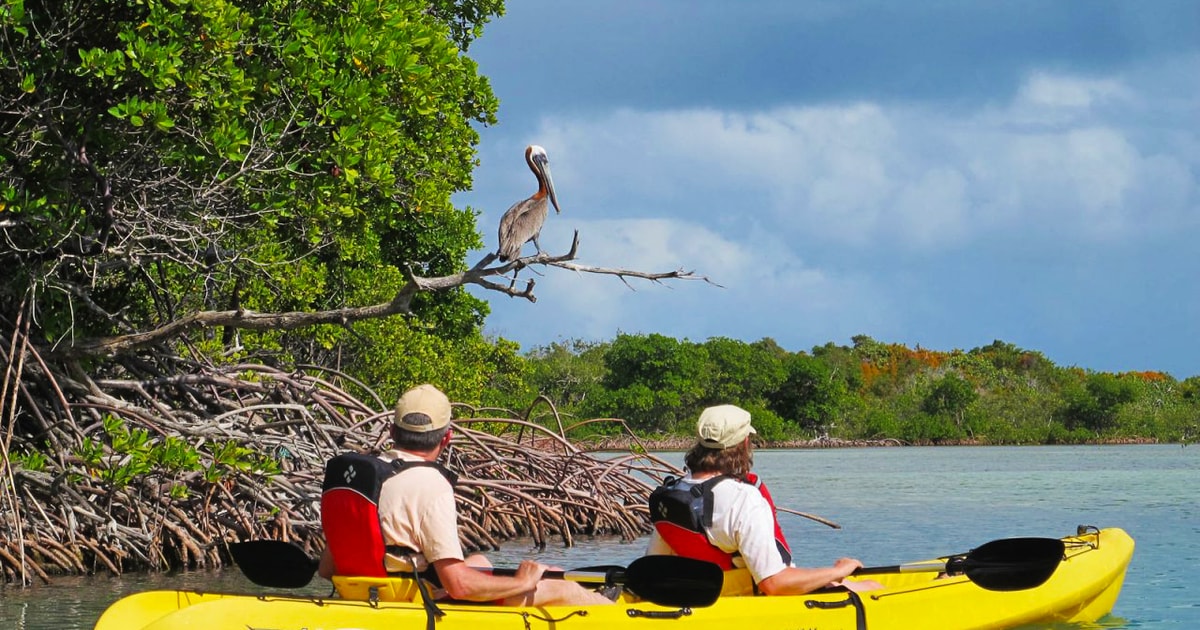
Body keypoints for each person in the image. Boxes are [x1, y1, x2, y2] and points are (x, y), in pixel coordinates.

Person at [318, 384, 612, 606]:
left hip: (364, 589)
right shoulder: (431, 485)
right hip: (409, 600)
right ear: (447, 438)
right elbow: (459, 586)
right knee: (563, 586)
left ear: (392, 431)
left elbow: (327, 569)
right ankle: (615, 611)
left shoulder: (363, 479)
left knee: (482, 561)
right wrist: (523, 582)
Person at [646, 404, 882, 595]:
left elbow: (653, 565)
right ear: (744, 444)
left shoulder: (673, 494)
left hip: (707, 597)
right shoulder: (743, 499)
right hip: (754, 601)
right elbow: (774, 584)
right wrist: (838, 571)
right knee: (874, 589)